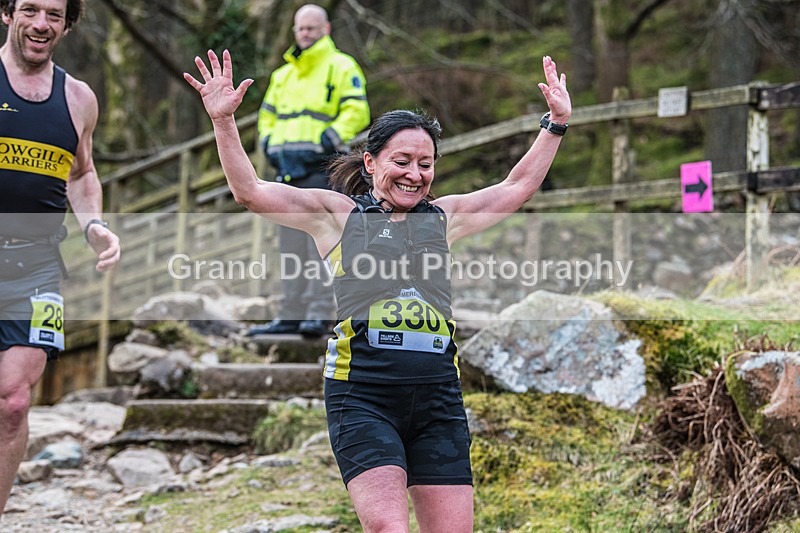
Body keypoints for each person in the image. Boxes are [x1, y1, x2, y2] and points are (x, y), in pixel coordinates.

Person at [185, 48, 570, 532]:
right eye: (401, 161)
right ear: (370, 162)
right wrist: (223, 121)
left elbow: (516, 187)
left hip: (438, 400)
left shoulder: (444, 218)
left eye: (425, 164)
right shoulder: (338, 217)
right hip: (363, 396)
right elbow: (252, 192)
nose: (415, 174)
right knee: (389, 528)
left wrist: (555, 124)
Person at [0, 0, 120, 518]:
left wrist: (93, 224)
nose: (41, 24)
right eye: (30, 9)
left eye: (54, 14)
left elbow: (81, 172)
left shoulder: (78, 98)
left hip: (37, 266)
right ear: (7, 14)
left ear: (66, 26)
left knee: (14, 402)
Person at [247, 3, 370, 338]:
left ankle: (318, 312)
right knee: (290, 245)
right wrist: (269, 143)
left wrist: (328, 139)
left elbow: (357, 109)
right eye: (299, 29)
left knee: (321, 242)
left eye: (310, 28)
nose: (304, 34)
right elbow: (267, 116)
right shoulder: (282, 75)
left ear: (325, 29)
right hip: (287, 169)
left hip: (323, 168)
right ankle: (291, 314)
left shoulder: (341, 66)